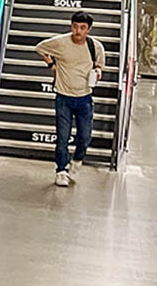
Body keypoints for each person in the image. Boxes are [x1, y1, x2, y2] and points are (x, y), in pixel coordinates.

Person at [34, 10, 105, 187]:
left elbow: (99, 65)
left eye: (82, 28)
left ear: (88, 29)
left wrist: (98, 71)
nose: (78, 31)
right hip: (63, 97)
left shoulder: (95, 46)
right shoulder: (60, 42)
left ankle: (78, 158)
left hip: (84, 97)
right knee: (62, 137)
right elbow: (39, 47)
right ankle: (61, 170)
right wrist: (51, 64)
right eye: (75, 26)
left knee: (85, 136)